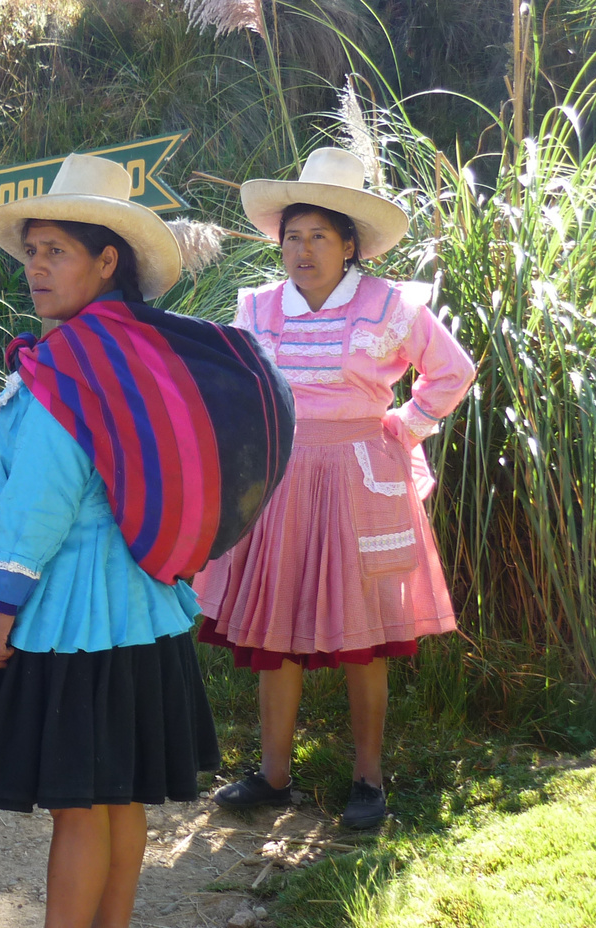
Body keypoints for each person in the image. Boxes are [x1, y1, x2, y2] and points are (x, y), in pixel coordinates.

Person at [0, 154, 290, 928]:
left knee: (79, 802)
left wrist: (1, 601)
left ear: (106, 263)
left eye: (57, 251)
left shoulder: (67, 368)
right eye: (32, 252)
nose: (38, 267)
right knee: (118, 788)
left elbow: (42, 497)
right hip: (138, 605)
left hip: (68, 608)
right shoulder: (136, 352)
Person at [195, 147, 476, 829]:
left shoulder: (390, 305)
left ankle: (369, 780)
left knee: (366, 635)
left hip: (361, 481)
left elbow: (453, 371)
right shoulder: (258, 309)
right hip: (281, 481)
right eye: (292, 236)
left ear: (351, 244)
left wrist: (403, 427)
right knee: (277, 627)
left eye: (320, 235)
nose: (303, 249)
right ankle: (272, 775)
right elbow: (235, 388)